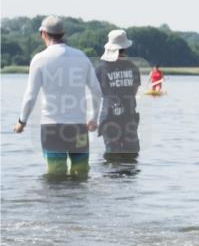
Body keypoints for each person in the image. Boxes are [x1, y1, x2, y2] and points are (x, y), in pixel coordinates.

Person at [13, 16, 101, 177]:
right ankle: (80, 203)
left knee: (55, 177)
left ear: (43, 33)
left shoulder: (39, 60)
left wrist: (21, 121)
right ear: (63, 33)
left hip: (51, 127)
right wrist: (94, 118)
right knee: (81, 174)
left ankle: (58, 203)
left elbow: (30, 96)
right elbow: (96, 90)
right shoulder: (81, 57)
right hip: (78, 127)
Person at [96, 29, 142, 159]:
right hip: (129, 117)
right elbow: (135, 90)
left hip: (109, 118)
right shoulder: (133, 67)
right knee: (131, 159)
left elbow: (96, 94)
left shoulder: (100, 69)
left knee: (112, 158)